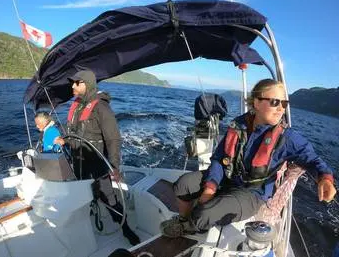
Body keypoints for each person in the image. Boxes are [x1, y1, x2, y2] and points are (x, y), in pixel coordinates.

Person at [160, 78, 337, 237]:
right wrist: (210, 188)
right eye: (275, 102)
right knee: (183, 185)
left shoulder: (287, 138)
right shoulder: (238, 125)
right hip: (226, 179)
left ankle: (190, 227)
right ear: (257, 102)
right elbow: (218, 159)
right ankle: (183, 220)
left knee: (205, 212)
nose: (281, 108)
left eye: (284, 103)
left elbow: (312, 159)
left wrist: (325, 179)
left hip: (252, 193)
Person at [54, 69, 140, 246]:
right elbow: (74, 131)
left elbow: (113, 138)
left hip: (97, 164)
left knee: (109, 198)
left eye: (77, 83)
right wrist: (64, 139)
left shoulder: (101, 107)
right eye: (73, 82)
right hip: (77, 163)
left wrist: (114, 165)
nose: (73, 85)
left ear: (88, 84)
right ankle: (88, 220)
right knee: (83, 194)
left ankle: (126, 229)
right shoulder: (76, 105)